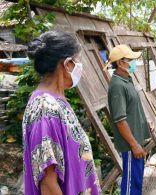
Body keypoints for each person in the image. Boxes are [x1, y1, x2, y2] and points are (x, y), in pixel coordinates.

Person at [23, 31, 101, 194]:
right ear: (67, 64)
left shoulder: (56, 102)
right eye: (78, 60)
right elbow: (48, 185)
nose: (81, 67)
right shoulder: (45, 109)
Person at [106, 45, 151, 195]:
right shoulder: (118, 85)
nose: (133, 63)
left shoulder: (126, 80)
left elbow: (132, 110)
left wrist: (145, 123)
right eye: (130, 60)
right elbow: (120, 120)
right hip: (131, 144)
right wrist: (134, 145)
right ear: (119, 63)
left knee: (136, 182)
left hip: (136, 141)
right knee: (131, 185)